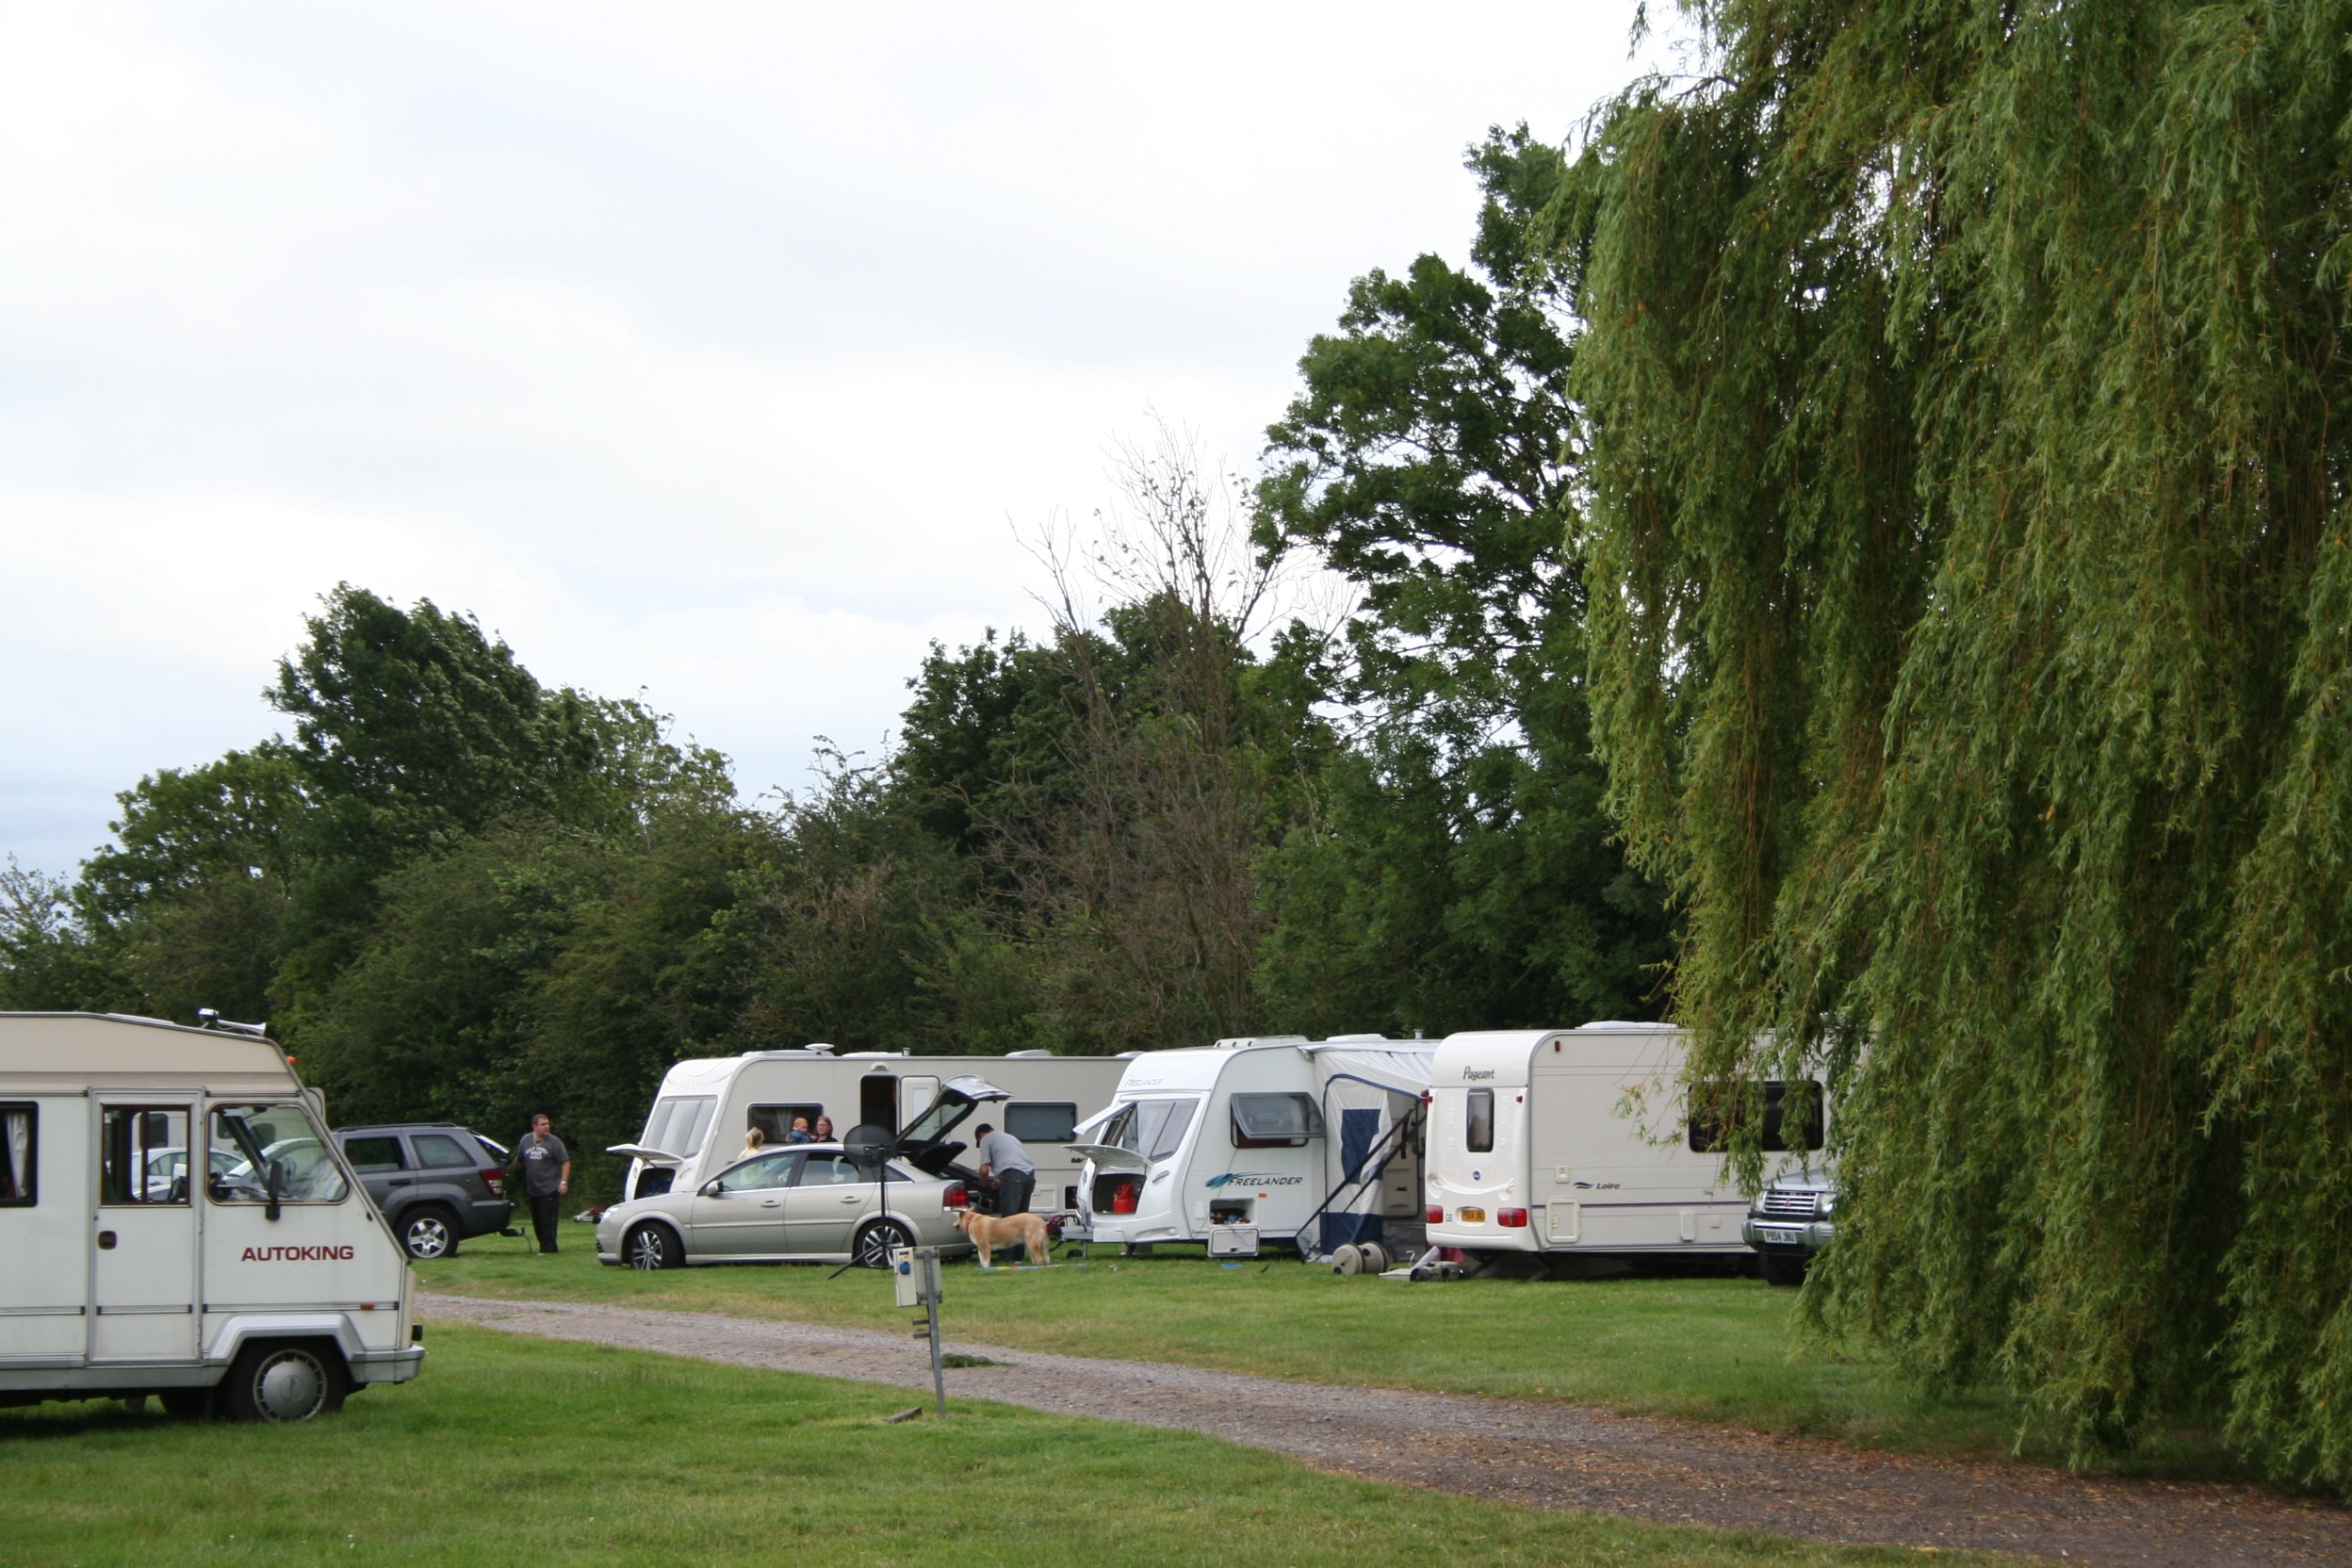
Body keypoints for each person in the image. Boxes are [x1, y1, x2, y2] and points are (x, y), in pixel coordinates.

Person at [514, 1113, 570, 1255]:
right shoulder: (526, 1140)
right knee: (537, 1220)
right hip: (533, 1189)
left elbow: (565, 1162)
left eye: (548, 1124)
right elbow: (519, 1159)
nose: (547, 1127)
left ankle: (549, 1248)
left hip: (550, 1188)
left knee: (548, 1220)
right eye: (543, 1124)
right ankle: (544, 1246)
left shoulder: (554, 1142)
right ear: (534, 1126)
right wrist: (506, 1171)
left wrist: (563, 1182)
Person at [972, 1121, 1035, 1218]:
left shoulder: (986, 1139)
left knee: (1009, 1219)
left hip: (1014, 1176)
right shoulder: (1009, 1137)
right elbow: (1013, 1161)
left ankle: (1009, 1234)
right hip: (1030, 1175)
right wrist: (1000, 1180)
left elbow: (984, 1169)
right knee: (1023, 1218)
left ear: (981, 1135)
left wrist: (983, 1183)